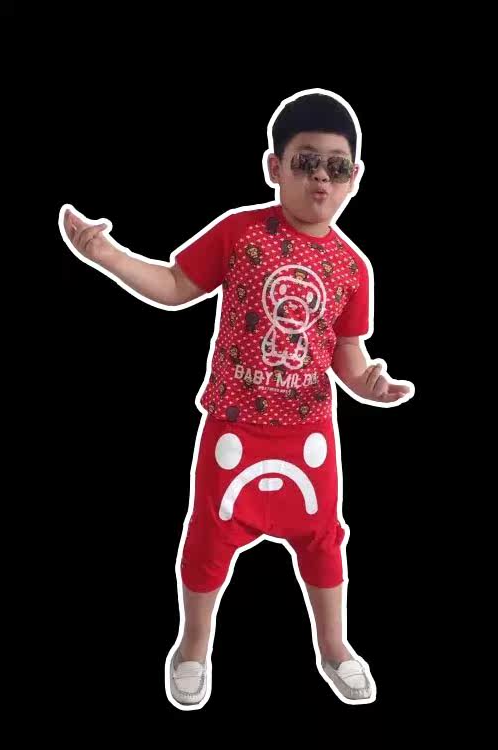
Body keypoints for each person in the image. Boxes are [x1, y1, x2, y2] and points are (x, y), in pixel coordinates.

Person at [59, 88, 414, 710]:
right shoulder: (240, 232)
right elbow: (175, 286)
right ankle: (194, 646)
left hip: (309, 433)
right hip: (234, 426)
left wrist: (370, 386)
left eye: (336, 167)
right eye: (306, 162)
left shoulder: (354, 269)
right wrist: (107, 254)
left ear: (355, 178)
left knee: (324, 539)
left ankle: (334, 647)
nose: (321, 179)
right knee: (208, 538)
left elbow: (348, 356)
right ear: (274, 166)